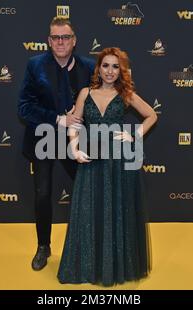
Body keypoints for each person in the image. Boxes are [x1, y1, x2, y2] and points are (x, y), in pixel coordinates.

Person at [57, 47, 157, 286]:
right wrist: (73, 147)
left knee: (117, 212)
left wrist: (134, 135)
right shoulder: (84, 93)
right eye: (105, 66)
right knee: (89, 212)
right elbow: (76, 123)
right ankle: (88, 267)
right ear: (98, 69)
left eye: (115, 67)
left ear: (121, 71)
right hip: (91, 160)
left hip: (119, 162)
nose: (110, 71)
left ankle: (116, 268)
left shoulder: (127, 94)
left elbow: (151, 115)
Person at [18, 17, 95, 271]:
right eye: (55, 37)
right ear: (49, 41)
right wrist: (58, 119)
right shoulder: (35, 65)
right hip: (44, 138)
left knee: (88, 191)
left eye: (65, 37)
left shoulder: (89, 67)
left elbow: (101, 104)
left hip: (76, 142)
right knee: (42, 194)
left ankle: (91, 244)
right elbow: (25, 107)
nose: (60, 42)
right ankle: (43, 246)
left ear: (74, 40)